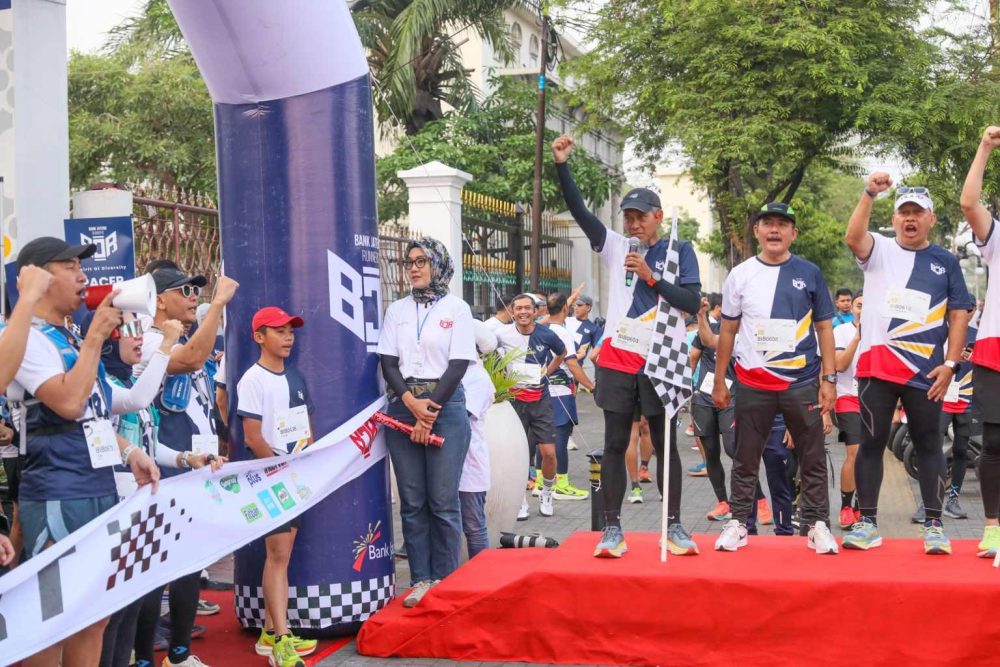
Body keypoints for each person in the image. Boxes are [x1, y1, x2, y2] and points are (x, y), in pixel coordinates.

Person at [9, 237, 160, 667]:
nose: (83, 277)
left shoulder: (67, 337)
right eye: (71, 267)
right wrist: (96, 335)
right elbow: (68, 403)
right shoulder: (28, 339)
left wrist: (129, 450)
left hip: (95, 486)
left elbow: (93, 416)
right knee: (51, 617)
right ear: (39, 277)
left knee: (94, 615)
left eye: (83, 266)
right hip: (59, 490)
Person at [553, 134, 702, 558]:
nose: (633, 224)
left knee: (664, 441)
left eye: (640, 217)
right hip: (619, 357)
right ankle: (612, 529)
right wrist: (562, 166)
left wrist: (652, 277)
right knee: (616, 442)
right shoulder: (616, 247)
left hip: (662, 358)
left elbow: (691, 302)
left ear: (658, 216)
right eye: (628, 217)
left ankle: (672, 526)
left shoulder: (679, 250)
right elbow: (582, 214)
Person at [842, 175, 972, 555]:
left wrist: (951, 363)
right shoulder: (877, 248)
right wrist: (868, 194)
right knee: (871, 443)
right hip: (876, 369)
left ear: (931, 219)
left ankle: (934, 525)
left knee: (930, 443)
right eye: (903, 213)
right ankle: (867, 523)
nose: (910, 219)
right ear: (894, 219)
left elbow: (960, 314)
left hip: (926, 373)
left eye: (918, 213)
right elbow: (853, 237)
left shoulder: (946, 261)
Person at [97, 314, 225, 667]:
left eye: (141, 334)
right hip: (115, 506)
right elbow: (138, 402)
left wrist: (187, 457)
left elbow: (147, 444)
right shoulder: (102, 385)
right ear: (107, 343)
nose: (139, 340)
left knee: (135, 601)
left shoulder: (128, 377)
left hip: (142, 504)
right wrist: (166, 344)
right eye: (130, 335)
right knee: (114, 610)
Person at [712, 202, 839, 555]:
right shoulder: (739, 275)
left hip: (801, 382)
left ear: (792, 234)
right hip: (752, 383)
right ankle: (739, 523)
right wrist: (720, 381)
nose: (774, 230)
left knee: (812, 456)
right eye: (767, 223)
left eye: (782, 225)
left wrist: (829, 379)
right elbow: (728, 330)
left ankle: (816, 526)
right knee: (745, 456)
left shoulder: (810, 272)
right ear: (756, 231)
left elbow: (825, 327)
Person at [132, 265, 239, 667]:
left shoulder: (187, 333)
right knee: (154, 569)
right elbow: (192, 361)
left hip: (193, 464)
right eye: (185, 290)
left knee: (191, 564)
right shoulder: (149, 340)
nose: (194, 295)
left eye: (198, 290)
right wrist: (219, 305)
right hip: (160, 469)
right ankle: (142, 658)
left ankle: (179, 655)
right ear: (159, 299)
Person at [377, 238, 474, 608]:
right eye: (409, 262)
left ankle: (446, 581)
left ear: (438, 265)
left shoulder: (457, 309)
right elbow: (388, 362)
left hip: (445, 408)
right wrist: (410, 403)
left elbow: (459, 363)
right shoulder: (397, 310)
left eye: (422, 261)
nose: (414, 268)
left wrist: (429, 411)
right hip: (404, 406)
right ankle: (420, 579)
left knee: (443, 501)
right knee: (413, 501)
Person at [237, 307, 318, 667]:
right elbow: (252, 438)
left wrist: (305, 463)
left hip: (294, 478)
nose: (288, 337)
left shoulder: (295, 376)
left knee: (284, 555)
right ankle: (280, 640)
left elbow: (304, 430)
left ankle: (271, 634)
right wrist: (280, 469)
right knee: (278, 556)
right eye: (279, 331)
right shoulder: (251, 380)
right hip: (271, 478)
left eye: (291, 331)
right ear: (259, 337)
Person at [959, 125, 1000, 557]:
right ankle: (993, 527)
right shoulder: (998, 239)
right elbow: (969, 202)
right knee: (994, 443)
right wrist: (985, 146)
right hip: (995, 350)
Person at [496, 293, 566, 519]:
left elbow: (562, 353)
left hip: (540, 399)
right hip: (515, 401)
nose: (523, 312)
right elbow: (487, 351)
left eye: (528, 308)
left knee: (549, 453)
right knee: (517, 454)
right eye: (518, 308)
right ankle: (520, 500)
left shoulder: (546, 334)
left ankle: (546, 492)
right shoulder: (501, 334)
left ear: (536, 311)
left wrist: (548, 371)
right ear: (512, 311)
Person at [543, 291, 595, 500]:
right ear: (565, 308)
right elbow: (572, 365)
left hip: (544, 390)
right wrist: (592, 386)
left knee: (544, 438)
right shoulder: (564, 334)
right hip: (561, 391)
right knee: (561, 438)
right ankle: (561, 484)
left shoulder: (541, 328)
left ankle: (541, 482)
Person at [459, 321, 498, 558]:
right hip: (444, 463)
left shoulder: (477, 377)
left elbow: (460, 416)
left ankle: (479, 575)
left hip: (469, 463)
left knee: (473, 526)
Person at [833, 292, 864, 529]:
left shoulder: (882, 333)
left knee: (870, 455)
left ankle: (862, 508)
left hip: (874, 401)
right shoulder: (841, 331)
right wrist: (858, 336)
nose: (863, 309)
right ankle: (845, 506)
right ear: (852, 308)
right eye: (859, 305)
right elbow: (840, 364)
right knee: (855, 452)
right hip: (847, 397)